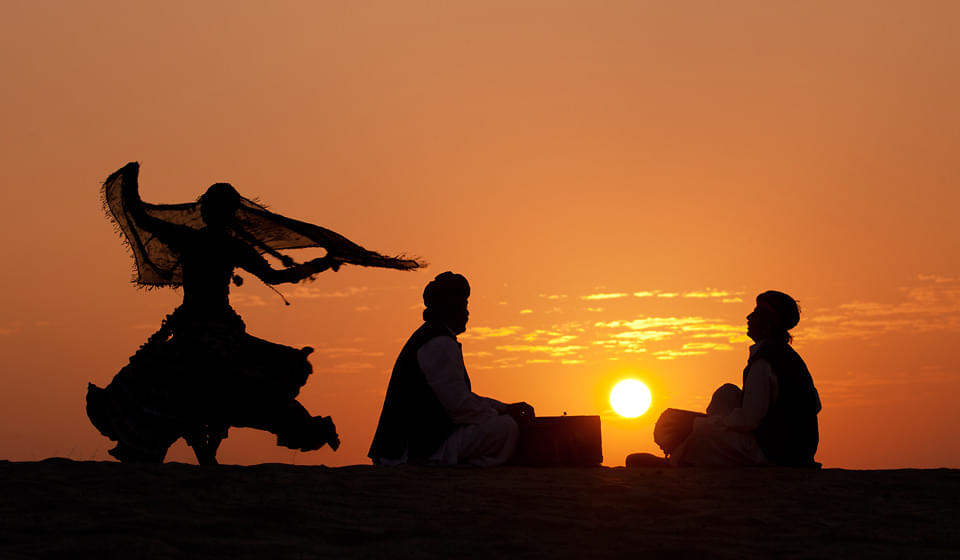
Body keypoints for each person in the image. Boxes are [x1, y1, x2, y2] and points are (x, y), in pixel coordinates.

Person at [87, 162, 423, 464]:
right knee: (219, 386)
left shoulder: (197, 241)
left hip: (204, 329)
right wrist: (322, 261)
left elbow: (142, 218)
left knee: (199, 386)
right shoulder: (223, 245)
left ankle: (202, 453)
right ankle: (204, 453)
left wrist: (130, 189)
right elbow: (278, 277)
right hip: (206, 328)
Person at [630, 290, 822, 468]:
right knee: (727, 394)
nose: (749, 317)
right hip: (787, 447)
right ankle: (686, 451)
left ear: (768, 323)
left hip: (776, 454)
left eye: (755, 313)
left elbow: (749, 420)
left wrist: (696, 424)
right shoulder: (786, 357)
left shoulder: (767, 360)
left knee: (699, 433)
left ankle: (676, 462)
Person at [368, 272, 535, 466]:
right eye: (462, 306)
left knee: (501, 423)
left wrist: (503, 407)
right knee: (505, 428)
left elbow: (461, 397)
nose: (467, 313)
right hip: (413, 449)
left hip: (413, 444)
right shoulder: (439, 343)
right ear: (447, 308)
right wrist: (502, 414)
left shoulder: (431, 338)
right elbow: (459, 406)